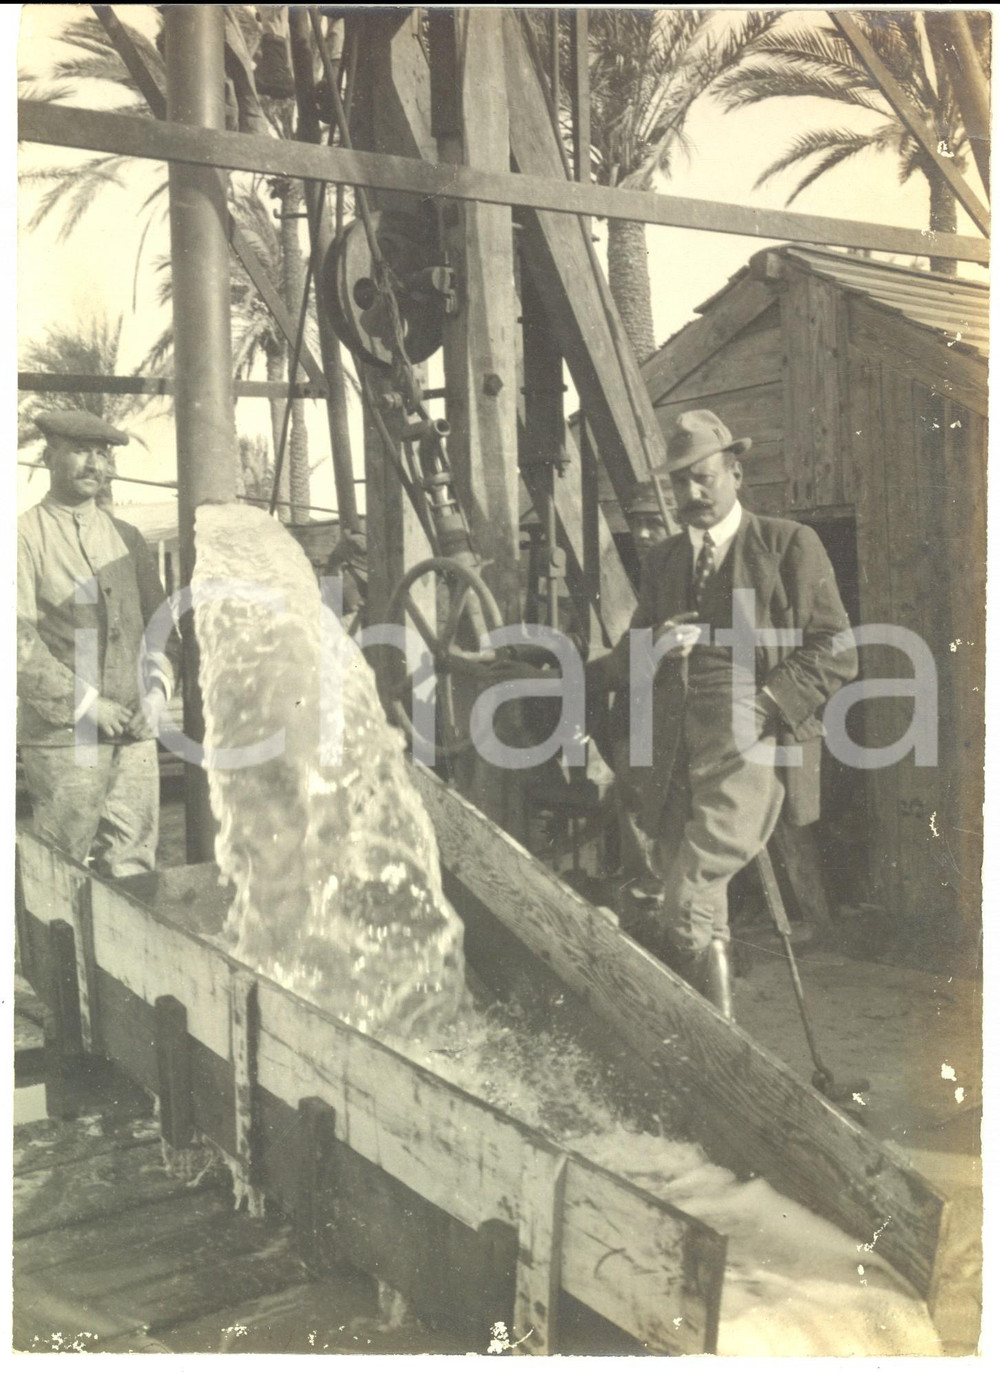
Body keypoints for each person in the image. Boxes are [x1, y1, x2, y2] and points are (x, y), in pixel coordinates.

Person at [606, 410, 858, 1017]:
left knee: (686, 896)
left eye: (704, 479)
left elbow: (837, 649)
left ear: (735, 474)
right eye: (680, 485)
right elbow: (627, 657)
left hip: (751, 744)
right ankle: (715, 1042)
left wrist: (768, 703)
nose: (692, 495)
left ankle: (700, 1037)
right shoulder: (666, 561)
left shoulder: (787, 544)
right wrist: (656, 647)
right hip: (671, 757)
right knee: (702, 903)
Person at [17, 410, 179, 877]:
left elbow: (163, 629)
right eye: (81, 451)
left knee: (134, 873)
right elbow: (16, 640)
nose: (95, 464)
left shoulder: (127, 538)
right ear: (49, 457)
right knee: (62, 873)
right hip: (64, 742)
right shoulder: (23, 536)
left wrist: (156, 696)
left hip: (135, 736)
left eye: (103, 454)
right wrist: (87, 705)